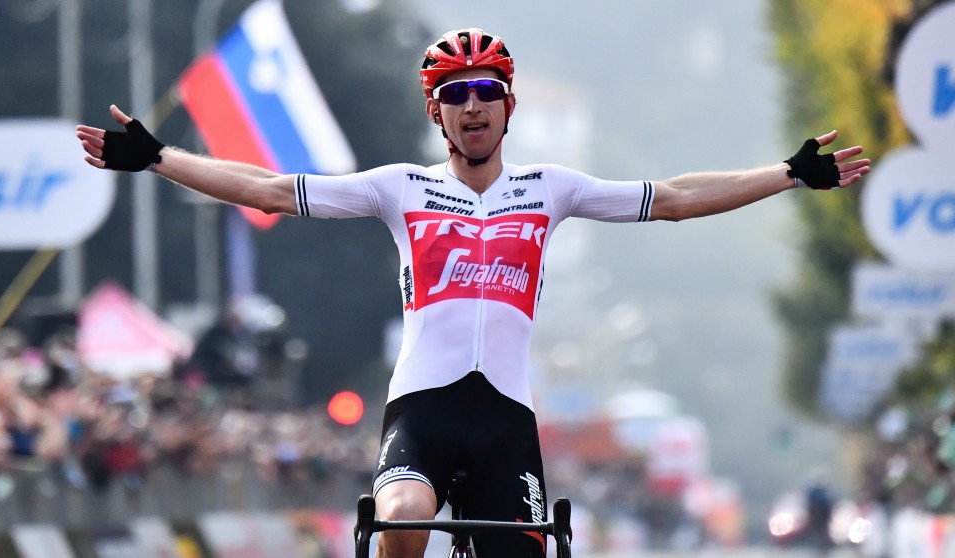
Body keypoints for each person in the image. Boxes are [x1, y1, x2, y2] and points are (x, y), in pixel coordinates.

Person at [77, 27, 870, 558]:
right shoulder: (401, 189)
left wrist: (789, 174)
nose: (473, 103)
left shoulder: (549, 188)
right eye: (455, 94)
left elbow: (672, 197)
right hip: (422, 408)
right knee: (406, 519)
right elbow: (271, 188)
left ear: (508, 105)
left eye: (486, 87)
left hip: (505, 419)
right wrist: (157, 157)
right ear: (438, 115)